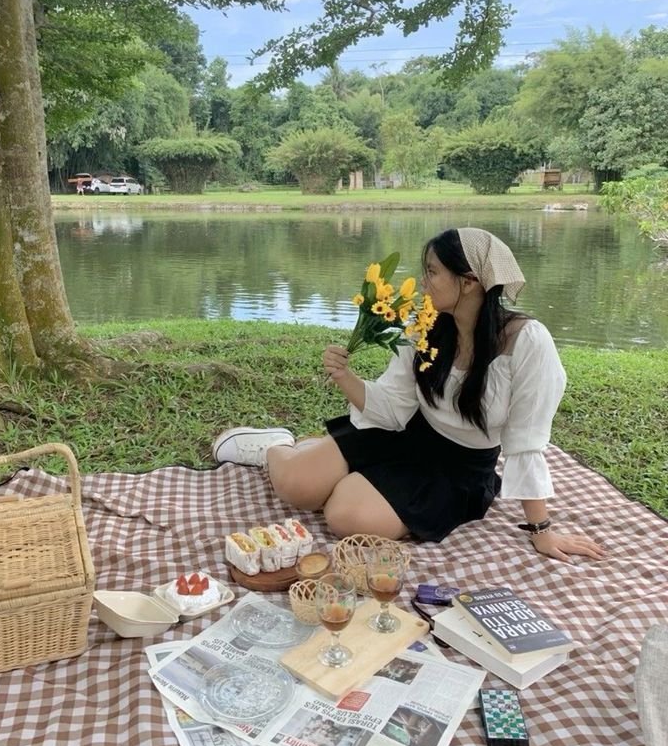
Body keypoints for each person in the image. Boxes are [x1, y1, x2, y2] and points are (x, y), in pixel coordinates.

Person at [212, 228, 606, 564]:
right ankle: (276, 446)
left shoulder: (526, 342)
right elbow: (393, 406)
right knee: (296, 486)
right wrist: (344, 376)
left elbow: (525, 441)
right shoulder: (425, 326)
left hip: (457, 468)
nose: (422, 281)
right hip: (404, 433)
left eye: (432, 272)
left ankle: (325, 460)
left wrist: (541, 530)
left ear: (469, 281)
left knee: (345, 516)